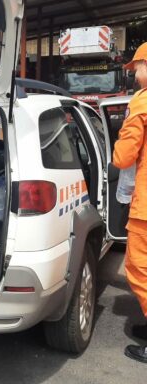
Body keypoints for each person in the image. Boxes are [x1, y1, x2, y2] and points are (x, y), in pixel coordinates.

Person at [112, 42, 147, 364]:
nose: (135, 75)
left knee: (140, 268)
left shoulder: (142, 103)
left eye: (137, 68)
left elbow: (123, 157)